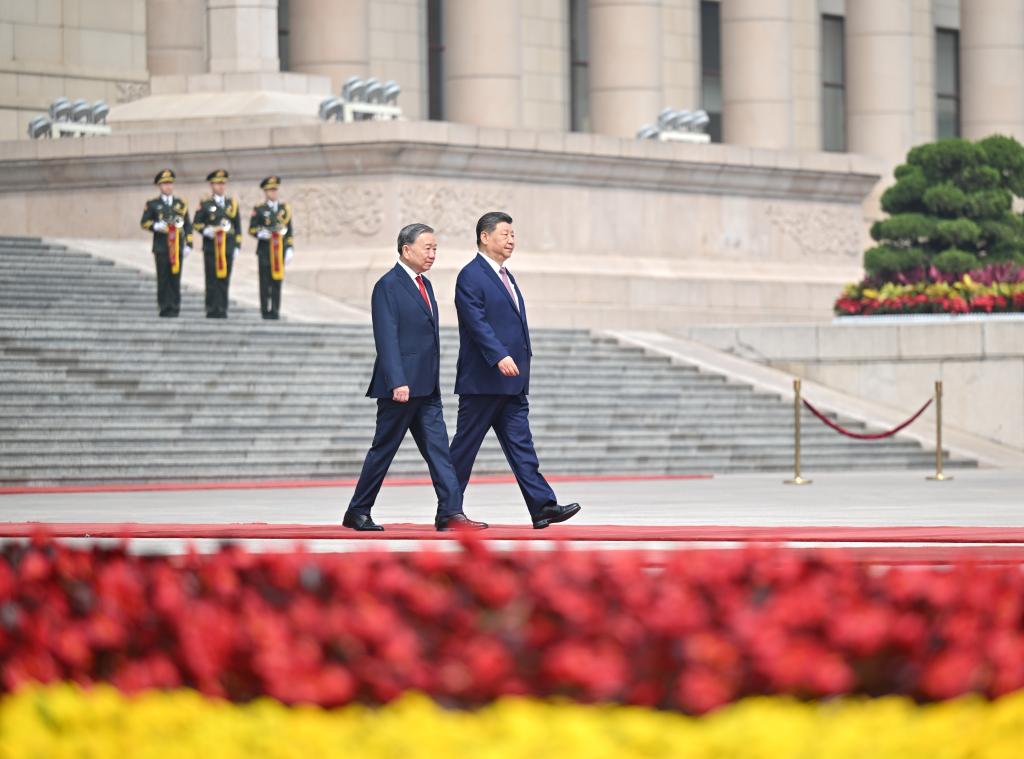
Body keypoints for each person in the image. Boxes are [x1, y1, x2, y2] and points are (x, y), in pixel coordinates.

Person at [343, 223, 487, 532]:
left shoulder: (426, 285)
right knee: (383, 450)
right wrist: (397, 380)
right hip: (400, 388)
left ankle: (451, 512)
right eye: (427, 248)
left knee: (440, 452)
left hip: (427, 388)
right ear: (406, 250)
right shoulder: (388, 285)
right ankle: (357, 510)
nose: (432, 254)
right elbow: (386, 338)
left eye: (435, 248)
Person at [449, 211, 581, 529]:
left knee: (522, 446)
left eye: (513, 235)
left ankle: (543, 507)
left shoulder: (506, 276)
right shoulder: (471, 275)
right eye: (505, 234)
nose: (511, 240)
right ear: (485, 237)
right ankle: (448, 510)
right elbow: (476, 322)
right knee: (464, 450)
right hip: (483, 381)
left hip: (512, 381)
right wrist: (498, 356)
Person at [139, 169, 192, 317]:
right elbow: (144, 222)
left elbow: (187, 225)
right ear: (159, 186)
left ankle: (175, 307)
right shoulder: (153, 204)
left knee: (175, 277)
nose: (168, 186)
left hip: (177, 247)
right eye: (164, 184)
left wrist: (189, 244)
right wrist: (155, 226)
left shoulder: (180, 204)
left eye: (170, 183)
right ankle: (164, 307)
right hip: (162, 247)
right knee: (163, 278)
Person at [192, 169, 242, 318]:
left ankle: (222, 308)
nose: (220, 186)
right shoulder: (205, 204)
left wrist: (237, 246)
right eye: (217, 183)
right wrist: (207, 230)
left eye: (223, 183)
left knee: (224, 279)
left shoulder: (231, 204)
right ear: (211, 185)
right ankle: (211, 308)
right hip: (211, 248)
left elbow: (237, 227)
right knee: (211, 279)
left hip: (227, 248)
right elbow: (196, 223)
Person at [248, 176, 294, 320]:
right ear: (265, 192)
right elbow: (252, 229)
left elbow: (289, 231)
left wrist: (289, 248)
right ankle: (264, 310)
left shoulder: (284, 209)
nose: (273, 193)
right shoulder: (260, 209)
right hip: (265, 251)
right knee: (264, 282)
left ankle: (275, 310)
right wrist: (260, 233)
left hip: (279, 252)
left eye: (275, 190)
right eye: (270, 190)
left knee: (276, 282)